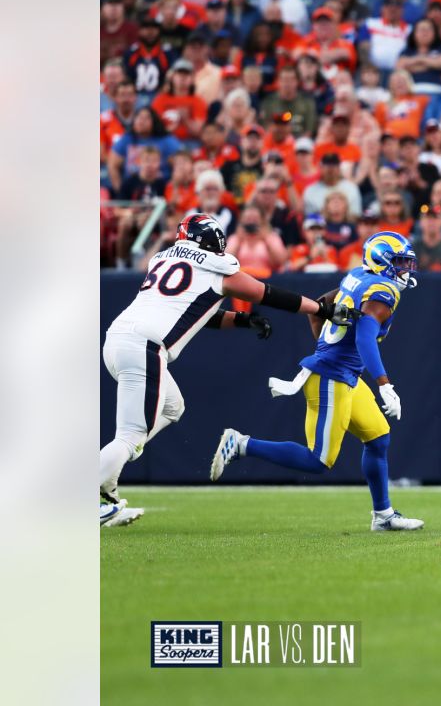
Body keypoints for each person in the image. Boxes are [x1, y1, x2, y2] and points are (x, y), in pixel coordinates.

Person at [100, 213, 353, 527]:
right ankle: (95, 490)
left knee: (172, 406)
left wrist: (242, 320)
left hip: (118, 341)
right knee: (129, 435)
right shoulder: (215, 266)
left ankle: (106, 489)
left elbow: (195, 309)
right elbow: (267, 294)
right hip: (145, 349)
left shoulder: (161, 259)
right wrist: (321, 308)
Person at [212, 231, 423, 531]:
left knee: (378, 438)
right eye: (400, 262)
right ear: (381, 261)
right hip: (331, 377)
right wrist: (384, 384)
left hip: (343, 374)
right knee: (318, 460)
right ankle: (242, 444)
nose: (406, 269)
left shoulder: (358, 275)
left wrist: (323, 344)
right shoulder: (383, 289)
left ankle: (383, 515)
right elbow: (365, 336)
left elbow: (320, 305)